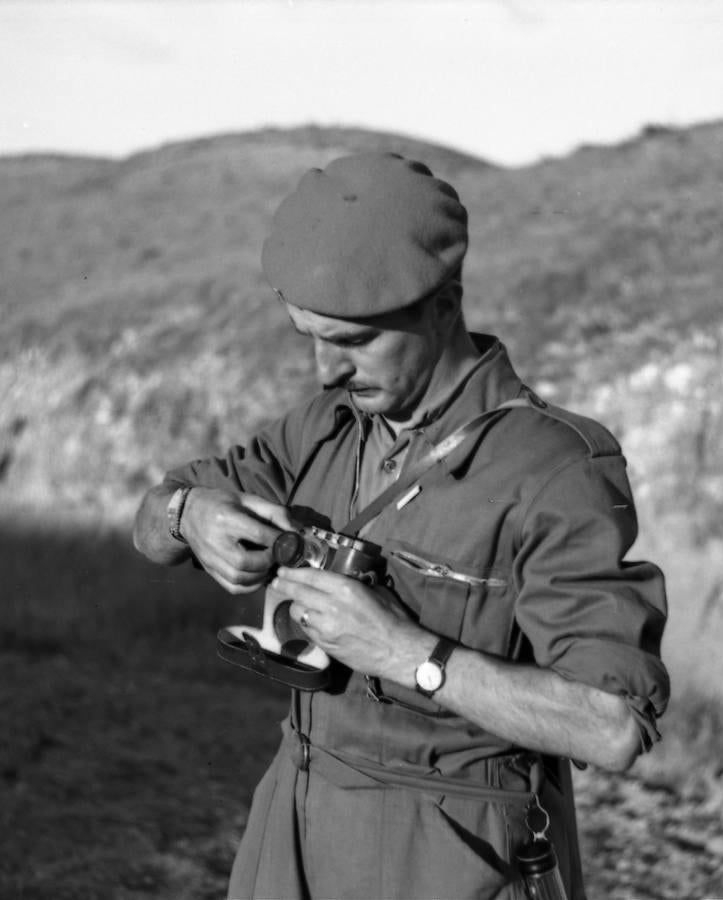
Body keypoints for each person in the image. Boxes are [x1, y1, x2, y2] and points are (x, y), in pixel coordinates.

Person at [133, 152, 669, 900]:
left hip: (455, 856)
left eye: (353, 341)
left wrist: (408, 653)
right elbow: (153, 518)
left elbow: (612, 726)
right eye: (309, 337)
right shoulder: (324, 427)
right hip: (291, 830)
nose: (326, 371)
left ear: (444, 307)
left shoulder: (556, 467)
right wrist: (189, 516)